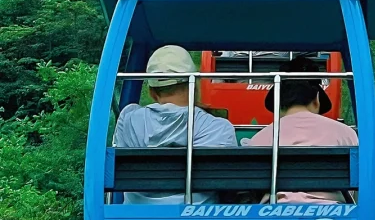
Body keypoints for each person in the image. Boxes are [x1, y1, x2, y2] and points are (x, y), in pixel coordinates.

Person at [113, 45, 237, 205]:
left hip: (135, 218)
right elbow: (228, 188)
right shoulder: (220, 129)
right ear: (194, 85)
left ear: (152, 93)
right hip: (199, 219)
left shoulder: (127, 120)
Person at [247, 57, 357, 204]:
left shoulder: (258, 140)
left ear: (278, 103)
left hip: (276, 211)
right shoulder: (346, 134)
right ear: (317, 99)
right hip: (332, 213)